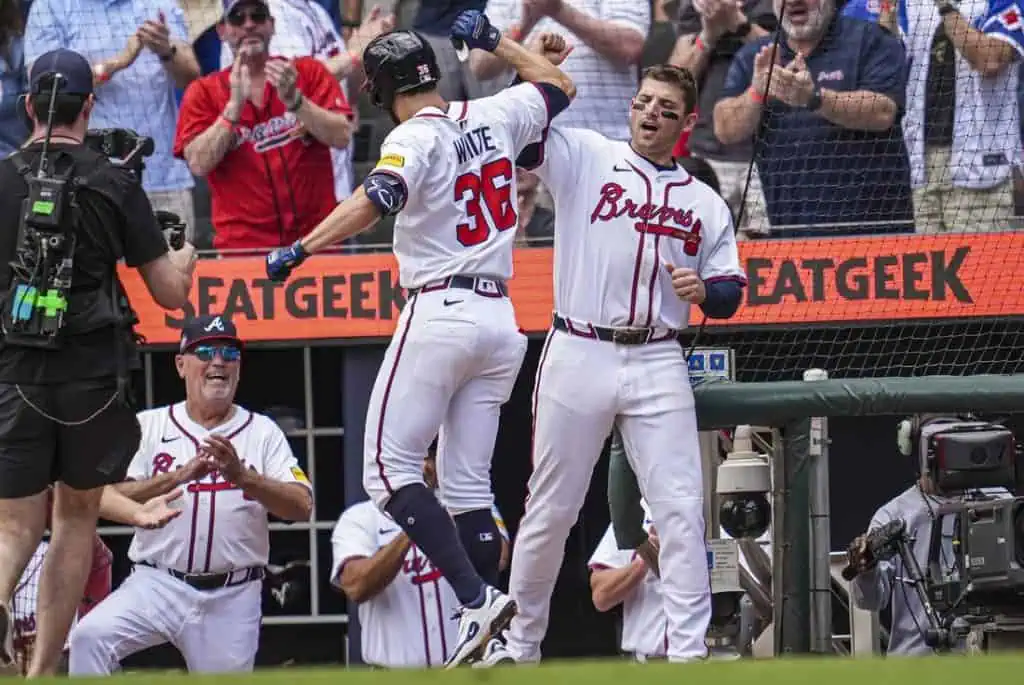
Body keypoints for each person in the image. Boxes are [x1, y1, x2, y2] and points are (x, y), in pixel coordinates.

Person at [264, 11, 575, 667]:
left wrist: (302, 246)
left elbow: (377, 197)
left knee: (384, 470)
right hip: (500, 319)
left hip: (440, 307)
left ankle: (475, 601)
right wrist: (501, 43)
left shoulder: (413, 136)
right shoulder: (496, 111)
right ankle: (487, 629)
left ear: (381, 89)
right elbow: (558, 86)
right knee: (466, 488)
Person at [491, 63, 747, 666]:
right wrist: (530, 70)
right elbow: (516, 134)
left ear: (686, 122)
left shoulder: (704, 203)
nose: (651, 111)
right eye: (644, 100)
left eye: (666, 106)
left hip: (658, 353)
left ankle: (687, 654)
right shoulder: (585, 153)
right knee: (550, 510)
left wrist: (705, 294)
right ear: (631, 107)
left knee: (683, 508)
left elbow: (732, 289)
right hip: (578, 344)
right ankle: (521, 644)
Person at [0, 48, 195, 677]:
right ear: (90, 107)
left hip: (13, 374)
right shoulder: (114, 181)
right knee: (75, 520)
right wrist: (184, 254)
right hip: (92, 380)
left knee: (12, 528)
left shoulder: (2, 179)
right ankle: (38, 676)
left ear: (28, 106)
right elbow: (170, 295)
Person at [67, 314, 313, 675]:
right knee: (90, 637)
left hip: (232, 594)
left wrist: (244, 478)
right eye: (206, 351)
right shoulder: (149, 425)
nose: (218, 361)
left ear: (239, 368)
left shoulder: (262, 432)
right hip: (157, 583)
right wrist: (179, 476)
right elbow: (103, 496)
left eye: (229, 353)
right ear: (181, 365)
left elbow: (302, 506)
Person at [173, 0, 353, 252]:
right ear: (222, 30)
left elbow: (342, 135)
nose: (249, 24)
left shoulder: (306, 72)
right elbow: (198, 163)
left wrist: (297, 102)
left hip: (317, 242)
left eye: (258, 16)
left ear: (272, 25)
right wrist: (231, 111)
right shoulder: (203, 92)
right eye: (238, 18)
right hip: (244, 251)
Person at [846, 414, 1016, 656]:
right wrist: (866, 572)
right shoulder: (893, 515)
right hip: (917, 661)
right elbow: (869, 602)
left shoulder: (1002, 502)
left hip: (993, 655)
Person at [330, 448, 511, 669]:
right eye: (415, 458)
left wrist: (440, 513)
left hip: (465, 672)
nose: (424, 466)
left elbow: (500, 557)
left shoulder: (468, 504)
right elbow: (356, 586)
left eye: (429, 457)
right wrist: (417, 521)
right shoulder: (360, 518)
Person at [9, 486, 183, 674]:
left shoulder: (59, 559)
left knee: (83, 642)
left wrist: (66, 515)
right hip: (25, 659)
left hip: (62, 662)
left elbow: (97, 556)